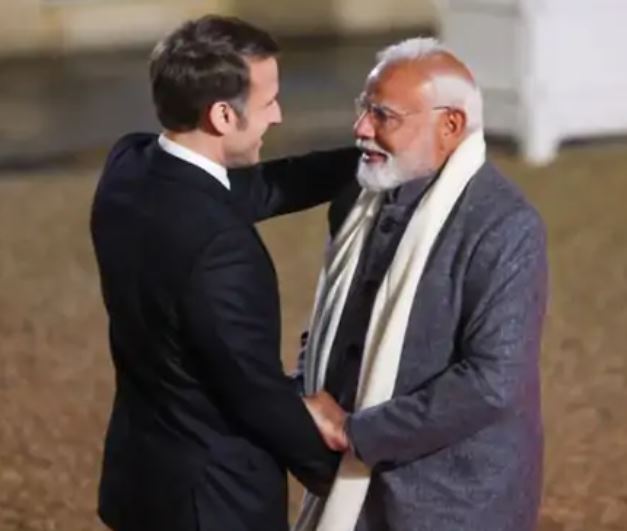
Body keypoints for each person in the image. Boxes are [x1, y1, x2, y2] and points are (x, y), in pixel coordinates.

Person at [90, 15, 356, 531]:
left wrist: (367, 160)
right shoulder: (221, 249)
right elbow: (253, 391)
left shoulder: (130, 165)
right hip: (212, 502)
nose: (278, 115)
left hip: (141, 477)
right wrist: (340, 472)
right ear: (222, 115)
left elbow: (260, 188)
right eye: (268, 102)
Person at [296, 37, 548, 531]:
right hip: (348, 485)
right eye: (364, 108)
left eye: (383, 115)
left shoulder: (505, 226)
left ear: (450, 125)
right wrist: (303, 394)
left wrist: (354, 432)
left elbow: (490, 383)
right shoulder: (357, 200)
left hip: (451, 499)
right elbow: (327, 321)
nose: (360, 128)